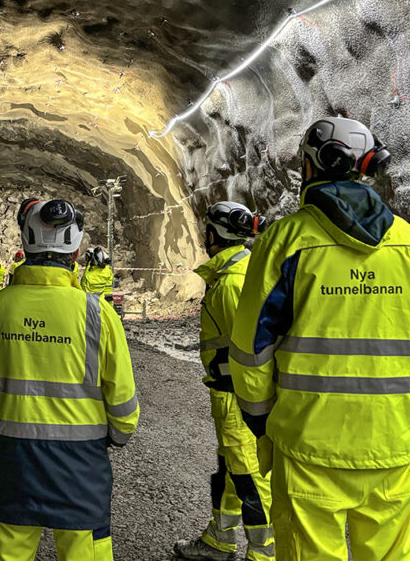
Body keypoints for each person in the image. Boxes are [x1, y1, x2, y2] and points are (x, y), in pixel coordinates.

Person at [229, 117, 410, 560]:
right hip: (391, 441)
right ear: (366, 168)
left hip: (307, 440)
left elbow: (253, 349)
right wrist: (399, 400)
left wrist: (261, 421)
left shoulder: (285, 243)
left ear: (309, 167)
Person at [0, 198, 139, 561]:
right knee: (83, 549)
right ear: (75, 252)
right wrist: (117, 435)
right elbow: (122, 398)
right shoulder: (98, 314)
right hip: (81, 461)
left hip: (13, 455)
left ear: (25, 247)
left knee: (6, 546)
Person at [174, 203, 273, 561]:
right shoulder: (244, 272)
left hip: (238, 398)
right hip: (233, 394)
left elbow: (249, 349)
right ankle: (220, 538)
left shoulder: (230, 285)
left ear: (213, 236)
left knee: (248, 475)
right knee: (229, 469)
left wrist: (252, 402)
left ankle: (264, 553)